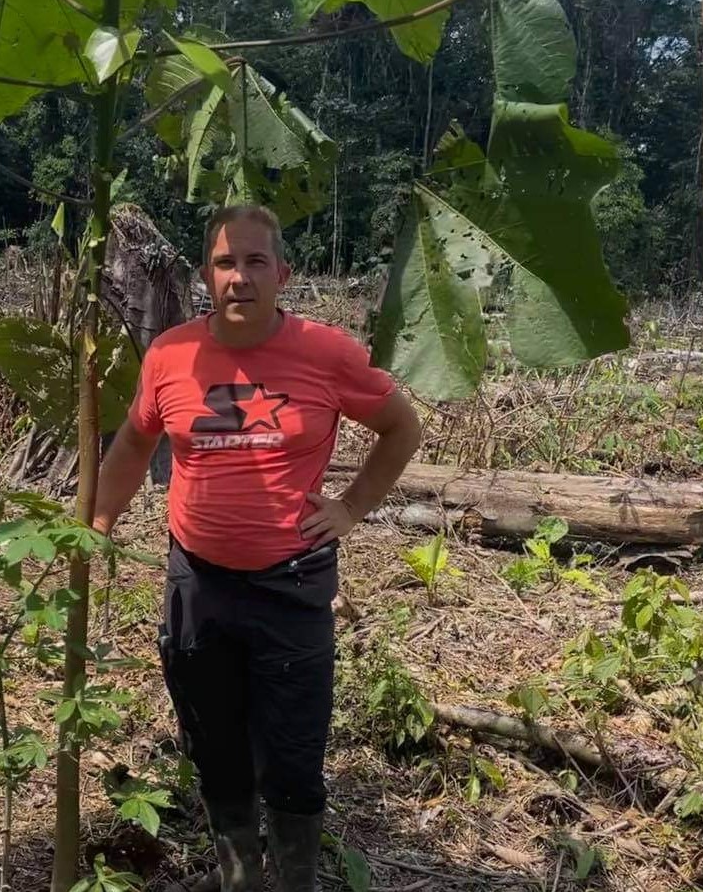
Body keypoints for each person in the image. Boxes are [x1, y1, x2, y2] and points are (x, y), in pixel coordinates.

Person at [93, 204, 422, 892]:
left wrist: (351, 506)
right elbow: (132, 442)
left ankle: (295, 877)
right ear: (206, 275)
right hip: (197, 581)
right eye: (223, 262)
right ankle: (239, 874)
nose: (238, 276)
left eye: (253, 261)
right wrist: (94, 522)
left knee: (294, 751)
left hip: (291, 584)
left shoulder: (325, 352)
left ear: (281, 273)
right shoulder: (170, 353)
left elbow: (399, 426)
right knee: (213, 742)